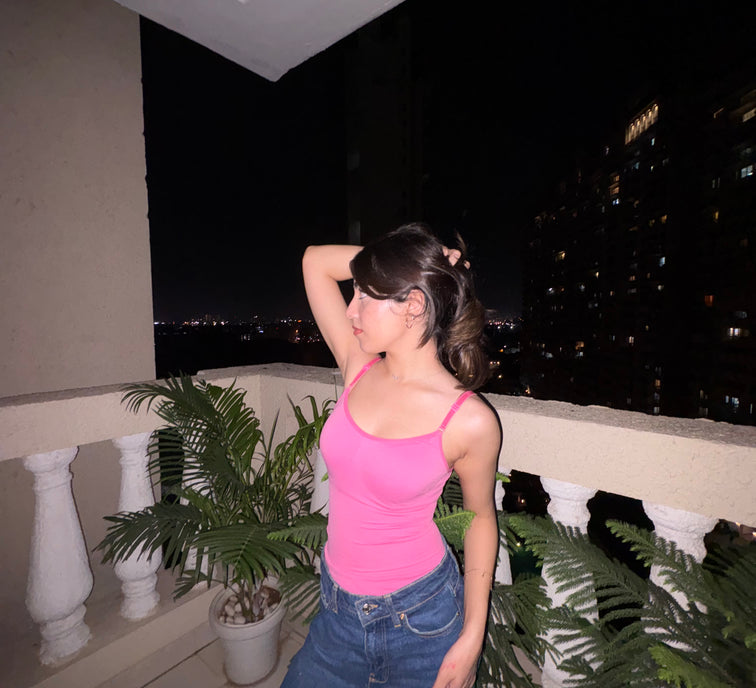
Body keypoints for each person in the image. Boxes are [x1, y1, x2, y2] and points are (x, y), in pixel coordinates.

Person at [282, 223, 501, 688]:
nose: (351, 308)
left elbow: (481, 519)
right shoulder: (358, 366)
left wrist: (472, 635)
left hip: (421, 620)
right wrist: (422, 266)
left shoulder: (468, 420)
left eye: (365, 295)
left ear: (414, 305)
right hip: (336, 613)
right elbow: (314, 261)